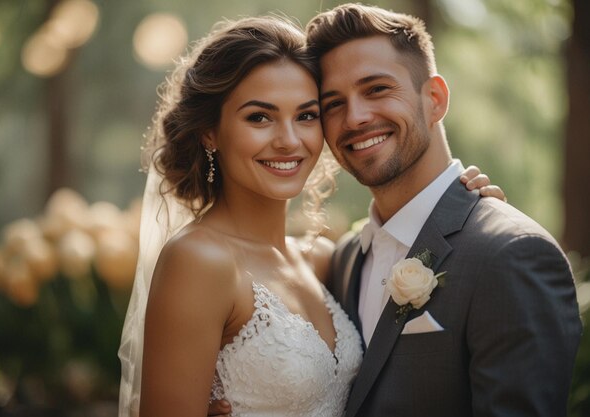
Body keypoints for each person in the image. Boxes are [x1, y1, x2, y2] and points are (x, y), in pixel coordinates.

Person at [119, 14, 505, 417]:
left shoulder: (323, 260)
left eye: (306, 115)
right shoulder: (199, 261)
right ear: (209, 132)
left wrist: (468, 209)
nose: (289, 141)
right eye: (259, 117)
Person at [306, 4, 579, 417]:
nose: (356, 117)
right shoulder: (344, 261)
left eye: (377, 89)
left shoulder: (511, 254)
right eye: (333, 104)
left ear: (434, 99)